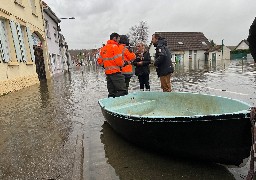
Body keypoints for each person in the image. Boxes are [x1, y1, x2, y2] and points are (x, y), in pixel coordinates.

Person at [97, 32, 127, 98]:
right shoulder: (115, 47)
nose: (119, 41)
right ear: (114, 38)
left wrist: (105, 66)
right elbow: (119, 62)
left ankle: (110, 106)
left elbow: (99, 61)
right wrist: (124, 63)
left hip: (108, 74)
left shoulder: (103, 48)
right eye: (118, 39)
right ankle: (119, 106)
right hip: (116, 73)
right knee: (123, 91)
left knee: (111, 93)